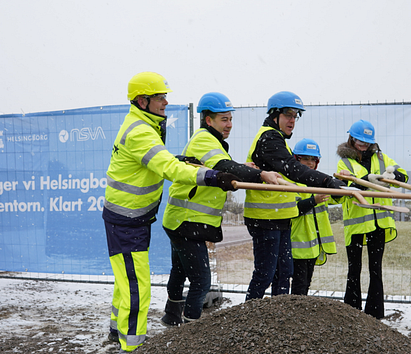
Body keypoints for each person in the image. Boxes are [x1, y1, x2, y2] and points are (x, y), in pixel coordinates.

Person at [102, 73, 239, 352]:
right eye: (160, 97)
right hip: (127, 220)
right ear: (143, 100)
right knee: (136, 287)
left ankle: (117, 330)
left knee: (126, 280)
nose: (166, 102)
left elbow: (158, 161)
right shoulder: (141, 130)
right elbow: (167, 168)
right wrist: (210, 176)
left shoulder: (142, 125)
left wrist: (180, 160)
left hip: (131, 218)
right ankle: (133, 346)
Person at [160, 92, 282, 326]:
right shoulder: (205, 139)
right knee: (201, 281)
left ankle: (171, 315)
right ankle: (190, 331)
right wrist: (260, 174)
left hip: (180, 219)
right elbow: (223, 165)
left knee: (180, 270)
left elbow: (221, 163)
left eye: (230, 119)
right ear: (209, 120)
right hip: (187, 222)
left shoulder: (211, 142)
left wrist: (241, 167)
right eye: (224, 119)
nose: (229, 125)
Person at [243, 91, 346, 301]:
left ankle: (277, 318)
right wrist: (327, 181)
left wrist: (340, 183)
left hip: (279, 217)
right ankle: (248, 317)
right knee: (265, 274)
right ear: (275, 115)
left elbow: (293, 170)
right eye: (288, 114)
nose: (292, 120)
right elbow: (294, 169)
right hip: (265, 219)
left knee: (284, 274)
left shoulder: (277, 138)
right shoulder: (269, 138)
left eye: (295, 115)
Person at [335, 119, 409, 319]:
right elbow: (344, 190)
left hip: (379, 222)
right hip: (357, 223)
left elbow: (403, 175)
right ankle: (352, 312)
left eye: (367, 141)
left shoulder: (382, 158)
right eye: (360, 141)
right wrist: (366, 181)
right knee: (354, 270)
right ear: (351, 138)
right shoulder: (345, 162)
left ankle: (375, 315)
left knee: (375, 270)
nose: (363, 145)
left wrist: (393, 178)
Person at [288, 138, 338, 296]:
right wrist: (313, 201)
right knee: (299, 284)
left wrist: (342, 182)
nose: (309, 163)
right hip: (298, 245)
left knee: (306, 283)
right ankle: (295, 313)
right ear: (297, 160)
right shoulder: (291, 184)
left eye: (312, 160)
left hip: (313, 246)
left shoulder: (319, 183)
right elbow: (292, 210)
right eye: (305, 159)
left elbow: (337, 197)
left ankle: (300, 313)